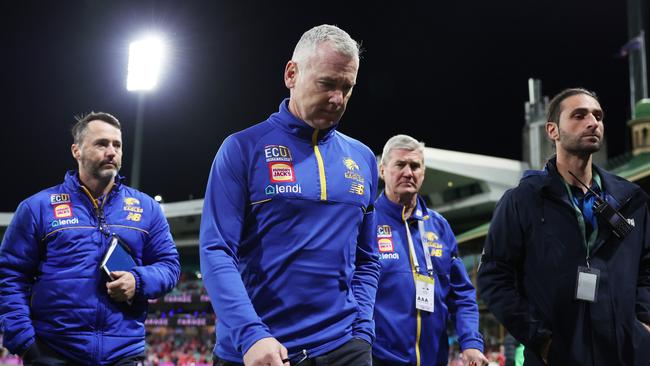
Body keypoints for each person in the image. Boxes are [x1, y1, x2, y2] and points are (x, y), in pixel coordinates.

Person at [199, 24, 379, 366]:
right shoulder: (242, 149)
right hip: (259, 351)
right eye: (327, 83)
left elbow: (367, 259)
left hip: (344, 347)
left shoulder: (363, 159)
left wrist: (362, 330)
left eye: (347, 87)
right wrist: (251, 334)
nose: (338, 99)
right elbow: (216, 250)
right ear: (291, 74)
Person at [477, 88, 650, 365]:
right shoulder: (522, 201)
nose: (593, 122)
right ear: (552, 130)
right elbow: (493, 277)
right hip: (556, 355)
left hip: (625, 353)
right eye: (579, 115)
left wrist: (643, 322)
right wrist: (540, 339)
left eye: (598, 115)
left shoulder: (632, 200)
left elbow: (646, 267)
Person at [0, 112, 180, 365]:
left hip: (123, 353)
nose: (111, 151)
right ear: (77, 151)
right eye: (102, 144)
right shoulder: (37, 208)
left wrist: (138, 280)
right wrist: (25, 342)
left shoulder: (147, 208)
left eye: (117, 145)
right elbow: (10, 275)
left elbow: (170, 267)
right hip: (53, 353)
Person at [372, 134, 488, 366]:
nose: (408, 172)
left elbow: (462, 295)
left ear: (423, 173)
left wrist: (471, 343)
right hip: (379, 360)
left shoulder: (439, 226)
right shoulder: (365, 223)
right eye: (400, 164)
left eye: (415, 166)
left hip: (434, 360)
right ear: (383, 171)